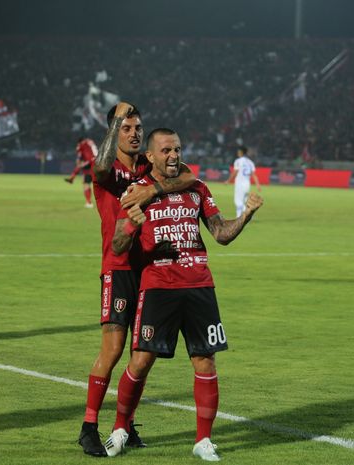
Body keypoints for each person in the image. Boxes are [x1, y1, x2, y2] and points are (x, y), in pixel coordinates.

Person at [104, 128, 263, 461]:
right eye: (166, 150)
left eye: (177, 149)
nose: (174, 155)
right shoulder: (136, 192)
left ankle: (203, 440)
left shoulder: (197, 189)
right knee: (141, 360)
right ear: (150, 156)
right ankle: (120, 429)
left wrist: (246, 215)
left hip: (199, 285)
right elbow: (118, 246)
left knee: (205, 359)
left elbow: (220, 233)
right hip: (159, 286)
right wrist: (131, 225)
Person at [77, 103, 196, 456]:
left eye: (137, 128)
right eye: (126, 128)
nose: (134, 133)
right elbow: (98, 167)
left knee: (140, 353)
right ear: (115, 130)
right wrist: (113, 123)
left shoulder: (148, 167)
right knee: (112, 350)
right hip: (118, 268)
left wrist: (153, 191)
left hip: (150, 270)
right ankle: (88, 427)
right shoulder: (108, 169)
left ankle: (124, 425)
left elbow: (190, 176)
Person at [226, 146, 260, 217]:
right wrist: (258, 185)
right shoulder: (250, 162)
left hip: (239, 184)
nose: (238, 153)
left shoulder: (238, 161)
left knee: (238, 202)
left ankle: (238, 218)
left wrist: (228, 181)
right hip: (247, 184)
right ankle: (248, 215)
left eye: (238, 152)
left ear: (241, 152)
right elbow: (254, 175)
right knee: (244, 201)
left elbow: (235, 172)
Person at [65, 136, 97, 208]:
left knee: (86, 183)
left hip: (90, 163)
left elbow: (79, 156)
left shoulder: (81, 145)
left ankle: (89, 203)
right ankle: (72, 178)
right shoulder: (90, 142)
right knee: (99, 184)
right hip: (97, 162)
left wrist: (79, 162)